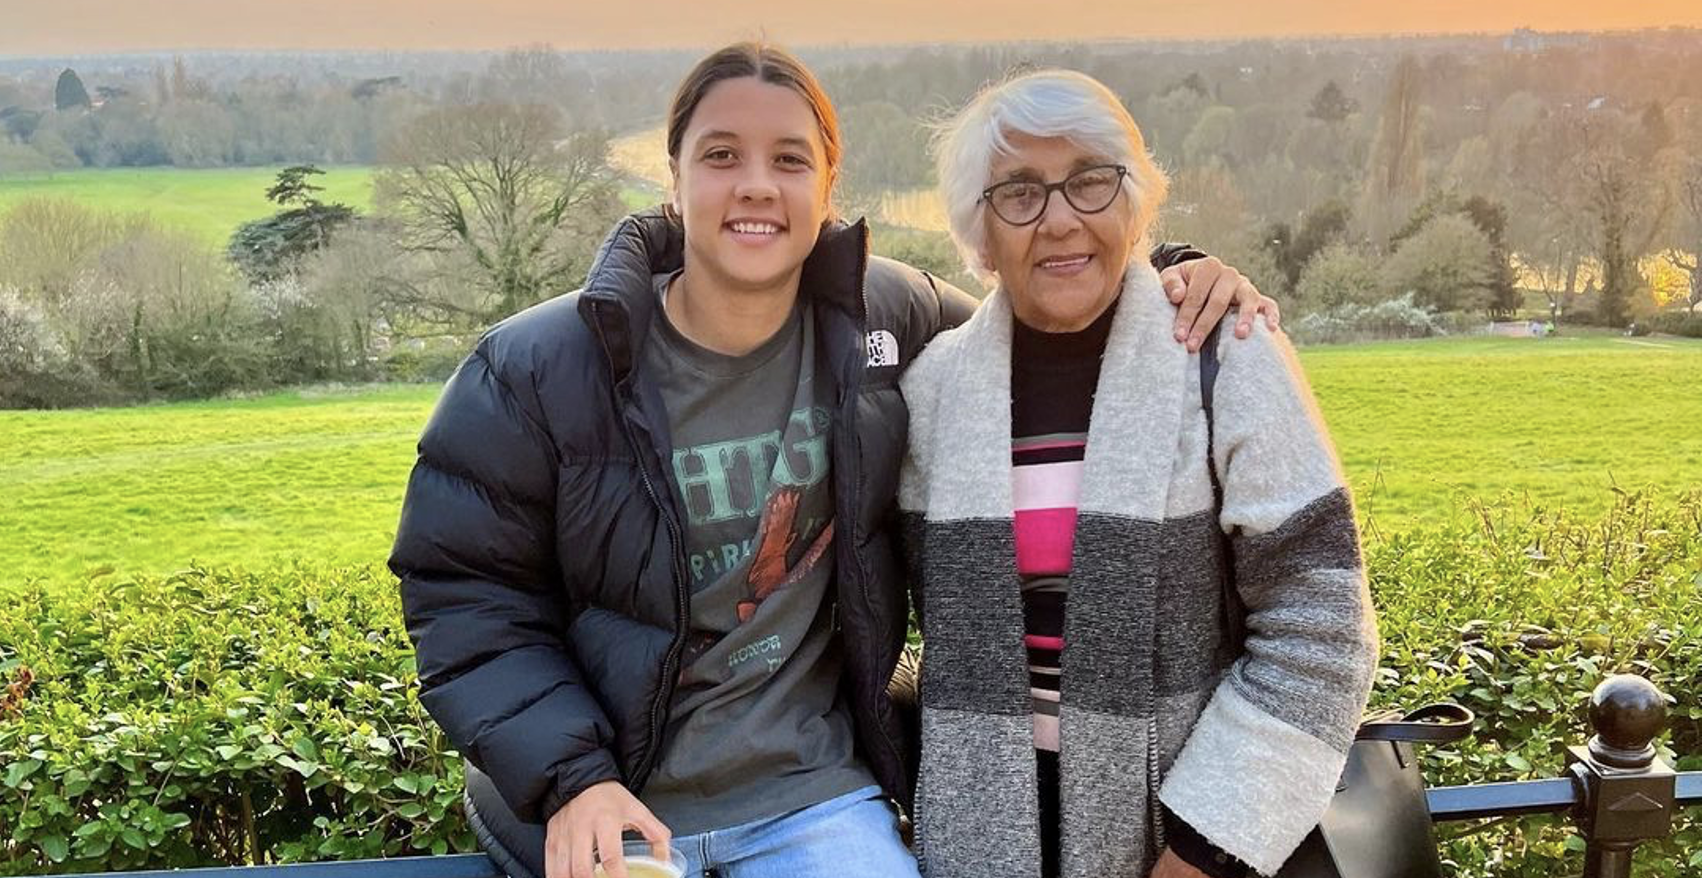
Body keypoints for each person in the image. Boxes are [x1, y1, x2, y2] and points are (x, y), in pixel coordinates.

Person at [390, 44, 1276, 878]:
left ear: (827, 186)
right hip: (603, 801)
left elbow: (1049, 313)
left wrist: (1175, 274)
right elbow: (464, 594)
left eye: (789, 160)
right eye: (722, 155)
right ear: (673, 179)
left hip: (811, 797)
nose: (756, 187)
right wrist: (570, 779)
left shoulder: (892, 317)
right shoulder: (537, 367)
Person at [898, 70, 1378, 878]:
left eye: (1090, 182)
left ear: (1136, 202)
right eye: (1018, 194)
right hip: (983, 829)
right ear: (977, 235)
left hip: (1191, 828)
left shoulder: (1228, 356)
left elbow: (1321, 634)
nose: (1059, 220)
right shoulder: (931, 392)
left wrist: (1197, 852)